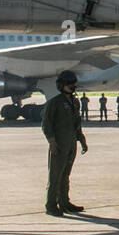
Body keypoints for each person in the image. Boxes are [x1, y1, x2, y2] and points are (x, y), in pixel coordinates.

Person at [42, 70, 88, 216]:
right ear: (62, 85)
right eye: (69, 84)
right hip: (59, 144)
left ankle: (64, 202)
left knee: (66, 175)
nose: (72, 86)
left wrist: (82, 140)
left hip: (71, 143)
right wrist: (52, 142)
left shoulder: (75, 102)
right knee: (55, 175)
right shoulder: (54, 103)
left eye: (73, 84)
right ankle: (51, 205)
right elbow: (46, 125)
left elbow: (77, 123)